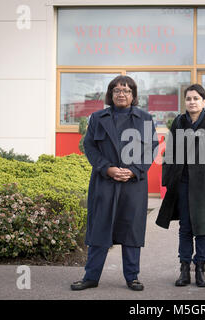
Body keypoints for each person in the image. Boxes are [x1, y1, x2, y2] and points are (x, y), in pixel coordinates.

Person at [71, 75, 158, 291]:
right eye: (117, 90)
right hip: (104, 183)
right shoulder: (97, 117)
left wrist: (134, 171)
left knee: (131, 231)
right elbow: (89, 147)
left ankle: (132, 277)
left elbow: (151, 149)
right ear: (111, 94)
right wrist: (107, 169)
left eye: (127, 91)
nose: (122, 94)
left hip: (133, 184)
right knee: (99, 228)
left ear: (133, 95)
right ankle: (90, 277)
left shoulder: (145, 119)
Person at [156, 84, 205, 287]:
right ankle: (184, 269)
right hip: (183, 183)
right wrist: (167, 179)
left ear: (204, 102)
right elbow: (169, 153)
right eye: (188, 99)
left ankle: (200, 270)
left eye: (196, 98)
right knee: (185, 227)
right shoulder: (179, 121)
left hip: (204, 184)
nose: (192, 102)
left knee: (202, 228)